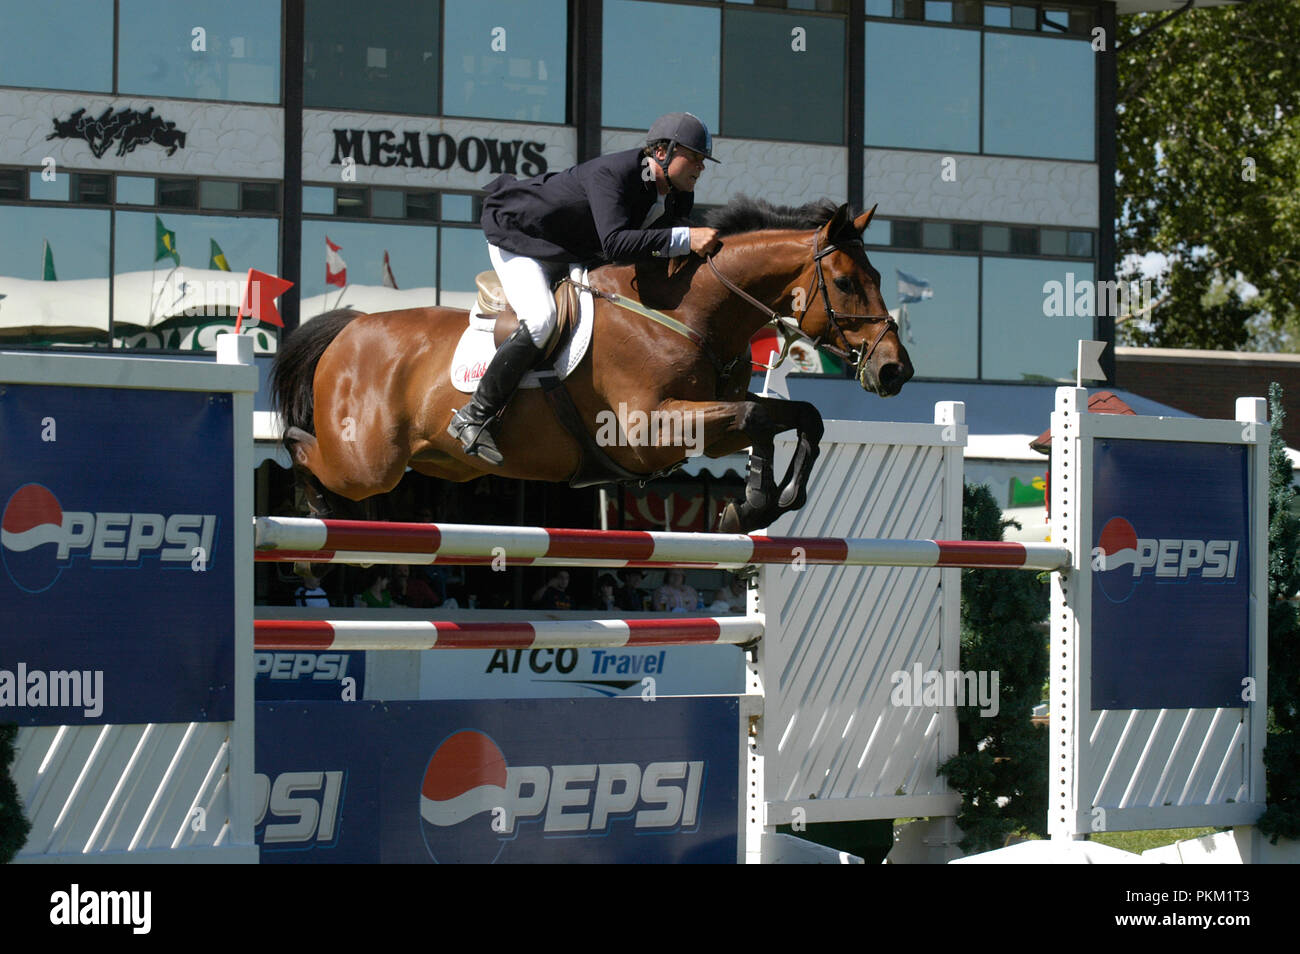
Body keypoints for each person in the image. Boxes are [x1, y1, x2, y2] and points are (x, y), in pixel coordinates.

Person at [448, 112, 723, 466]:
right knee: (542, 320)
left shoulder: (677, 193)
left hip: (569, 251)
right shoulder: (615, 174)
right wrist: (687, 238)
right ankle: (474, 413)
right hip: (521, 238)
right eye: (694, 156)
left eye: (703, 160)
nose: (700, 166)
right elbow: (616, 245)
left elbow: (657, 248)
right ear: (661, 152)